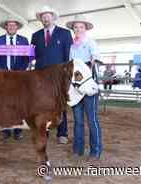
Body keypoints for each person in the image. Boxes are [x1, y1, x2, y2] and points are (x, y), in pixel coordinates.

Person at [31, 6, 73, 144]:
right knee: (41, 105)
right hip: (40, 77)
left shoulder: (65, 33)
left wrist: (67, 76)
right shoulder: (35, 35)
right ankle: (44, 130)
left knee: (60, 104)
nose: (45, 18)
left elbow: (69, 56)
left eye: (48, 16)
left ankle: (63, 132)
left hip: (58, 77)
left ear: (53, 17)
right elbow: (32, 56)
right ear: (41, 19)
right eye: (43, 16)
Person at [66, 15, 102, 159]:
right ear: (73, 29)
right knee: (78, 120)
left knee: (92, 119)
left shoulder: (91, 42)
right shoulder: (71, 45)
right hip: (75, 86)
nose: (78, 29)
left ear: (85, 29)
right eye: (76, 27)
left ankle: (96, 150)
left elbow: (94, 60)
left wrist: (86, 67)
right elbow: (69, 63)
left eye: (81, 27)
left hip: (88, 84)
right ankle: (78, 149)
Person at [0, 16, 30, 140]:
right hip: (2, 76)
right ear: (6, 27)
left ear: (17, 27)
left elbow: (27, 59)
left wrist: (19, 71)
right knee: (4, 103)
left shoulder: (24, 40)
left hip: (19, 77)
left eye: (14, 25)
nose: (11, 27)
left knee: (19, 103)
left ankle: (18, 130)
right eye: (9, 25)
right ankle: (6, 130)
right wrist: (2, 71)